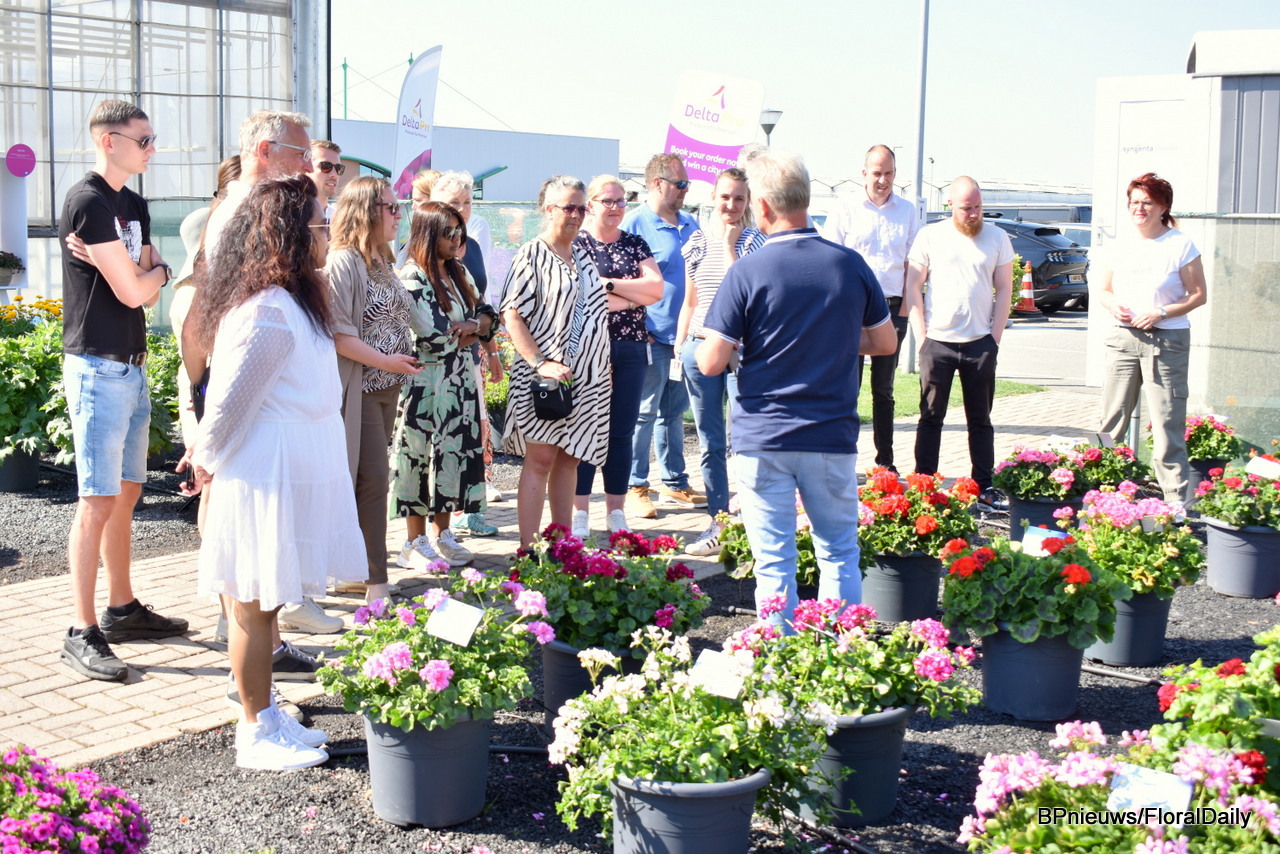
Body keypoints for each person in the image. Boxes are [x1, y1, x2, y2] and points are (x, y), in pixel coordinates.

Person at [182, 175, 362, 770]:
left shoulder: (293, 302)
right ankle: (254, 728)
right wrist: (203, 461)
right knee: (252, 604)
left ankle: (265, 711)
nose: (328, 234)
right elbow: (231, 404)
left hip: (286, 466)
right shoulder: (267, 310)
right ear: (289, 235)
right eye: (319, 225)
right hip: (264, 473)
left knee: (267, 604)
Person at [695, 150, 896, 626]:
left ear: (762, 205)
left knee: (774, 563)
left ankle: (778, 659)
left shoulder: (747, 271)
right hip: (829, 433)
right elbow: (885, 342)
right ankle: (841, 653)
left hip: (764, 435)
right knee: (840, 553)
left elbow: (710, 362)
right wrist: (833, 337)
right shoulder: (850, 265)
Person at [58, 100, 186, 682]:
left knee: (127, 491)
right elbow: (137, 292)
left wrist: (146, 273)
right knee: (97, 499)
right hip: (97, 368)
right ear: (109, 141)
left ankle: (122, 608)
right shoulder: (87, 202)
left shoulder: (132, 204)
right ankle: (81, 630)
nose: (152, 148)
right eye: (144, 139)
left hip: (131, 366)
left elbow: (147, 285)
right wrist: (148, 273)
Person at [500, 175, 612, 548]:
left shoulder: (583, 255)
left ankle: (563, 548)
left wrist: (602, 367)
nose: (576, 215)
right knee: (540, 459)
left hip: (586, 381)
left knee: (571, 458)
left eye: (582, 208)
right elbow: (511, 314)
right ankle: (529, 551)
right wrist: (540, 362)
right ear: (549, 210)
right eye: (568, 208)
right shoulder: (531, 254)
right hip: (544, 380)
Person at [327, 176, 422, 603]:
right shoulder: (343, 262)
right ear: (366, 211)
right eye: (391, 207)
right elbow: (339, 334)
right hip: (360, 388)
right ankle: (376, 583)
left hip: (387, 387)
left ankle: (351, 571)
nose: (399, 215)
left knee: (364, 483)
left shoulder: (382, 259)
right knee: (373, 483)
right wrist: (388, 361)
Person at [391, 202, 496, 566]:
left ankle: (443, 534)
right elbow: (435, 337)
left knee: (454, 457)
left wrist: (472, 326)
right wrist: (474, 329)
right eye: (448, 232)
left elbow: (489, 314)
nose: (456, 239)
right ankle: (413, 542)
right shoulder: (412, 278)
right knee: (419, 459)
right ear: (428, 233)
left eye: (459, 231)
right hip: (426, 385)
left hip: (460, 381)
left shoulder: (458, 271)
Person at [902, 176, 1014, 510]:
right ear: (950, 204)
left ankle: (984, 486)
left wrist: (994, 338)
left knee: (980, 419)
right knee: (930, 417)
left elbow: (1005, 289)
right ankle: (924, 487)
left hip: (980, 343)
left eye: (978, 207)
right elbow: (913, 286)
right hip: (937, 343)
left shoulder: (997, 237)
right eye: (967, 208)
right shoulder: (930, 235)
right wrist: (922, 337)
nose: (974, 214)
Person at [1095, 172, 1207, 503]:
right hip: (1123, 339)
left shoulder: (1180, 245)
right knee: (1111, 420)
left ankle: (1175, 501)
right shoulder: (1120, 245)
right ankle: (1102, 493)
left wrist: (1161, 312)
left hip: (1166, 342)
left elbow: (1198, 294)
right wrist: (1113, 306)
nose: (1139, 208)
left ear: (1163, 207)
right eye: (1134, 202)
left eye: (1147, 202)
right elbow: (1104, 290)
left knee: (1167, 423)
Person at [674, 167, 767, 556]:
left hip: (740, 354)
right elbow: (690, 301)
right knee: (710, 442)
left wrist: (730, 247)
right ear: (713, 197)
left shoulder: (755, 242)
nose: (731, 204)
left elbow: (742, 294)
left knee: (742, 440)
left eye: (739, 198)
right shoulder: (696, 242)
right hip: (699, 348)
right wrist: (679, 345)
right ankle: (719, 521)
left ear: (748, 202)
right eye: (725, 196)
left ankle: (749, 518)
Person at [570, 175, 663, 539]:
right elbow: (579, 295)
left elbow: (655, 289)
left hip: (631, 346)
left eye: (621, 201)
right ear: (591, 205)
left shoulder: (635, 243)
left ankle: (616, 512)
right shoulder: (578, 244)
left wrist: (608, 286)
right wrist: (632, 297)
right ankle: (580, 513)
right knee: (584, 428)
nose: (615, 207)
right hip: (588, 348)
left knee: (621, 432)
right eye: (607, 201)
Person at [822, 145, 919, 472]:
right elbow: (830, 261)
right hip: (851, 310)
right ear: (864, 173)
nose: (883, 180)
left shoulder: (907, 211)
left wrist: (904, 313)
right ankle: (843, 461)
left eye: (889, 173)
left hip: (890, 310)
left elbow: (912, 265)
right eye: (877, 173)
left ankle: (885, 463)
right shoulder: (845, 207)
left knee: (884, 390)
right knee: (847, 389)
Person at [622, 154, 703, 519]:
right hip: (651, 337)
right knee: (643, 414)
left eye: (687, 184)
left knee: (673, 413)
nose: (685, 190)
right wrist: (641, 327)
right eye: (680, 184)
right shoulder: (635, 224)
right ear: (657, 183)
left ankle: (674, 481)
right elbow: (623, 281)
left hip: (684, 338)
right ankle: (635, 485)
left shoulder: (691, 224)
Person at [430, 171, 504, 537]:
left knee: (475, 428)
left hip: (472, 350)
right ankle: (442, 516)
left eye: (468, 202)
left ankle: (468, 508)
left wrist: (491, 348)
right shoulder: (423, 246)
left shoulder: (471, 245)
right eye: (454, 202)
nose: (461, 209)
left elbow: (480, 300)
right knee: (444, 436)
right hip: (437, 358)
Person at [306, 139, 344, 220]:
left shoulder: (341, 219)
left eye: (338, 168)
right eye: (326, 166)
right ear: (306, 168)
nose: (334, 174)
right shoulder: (287, 216)